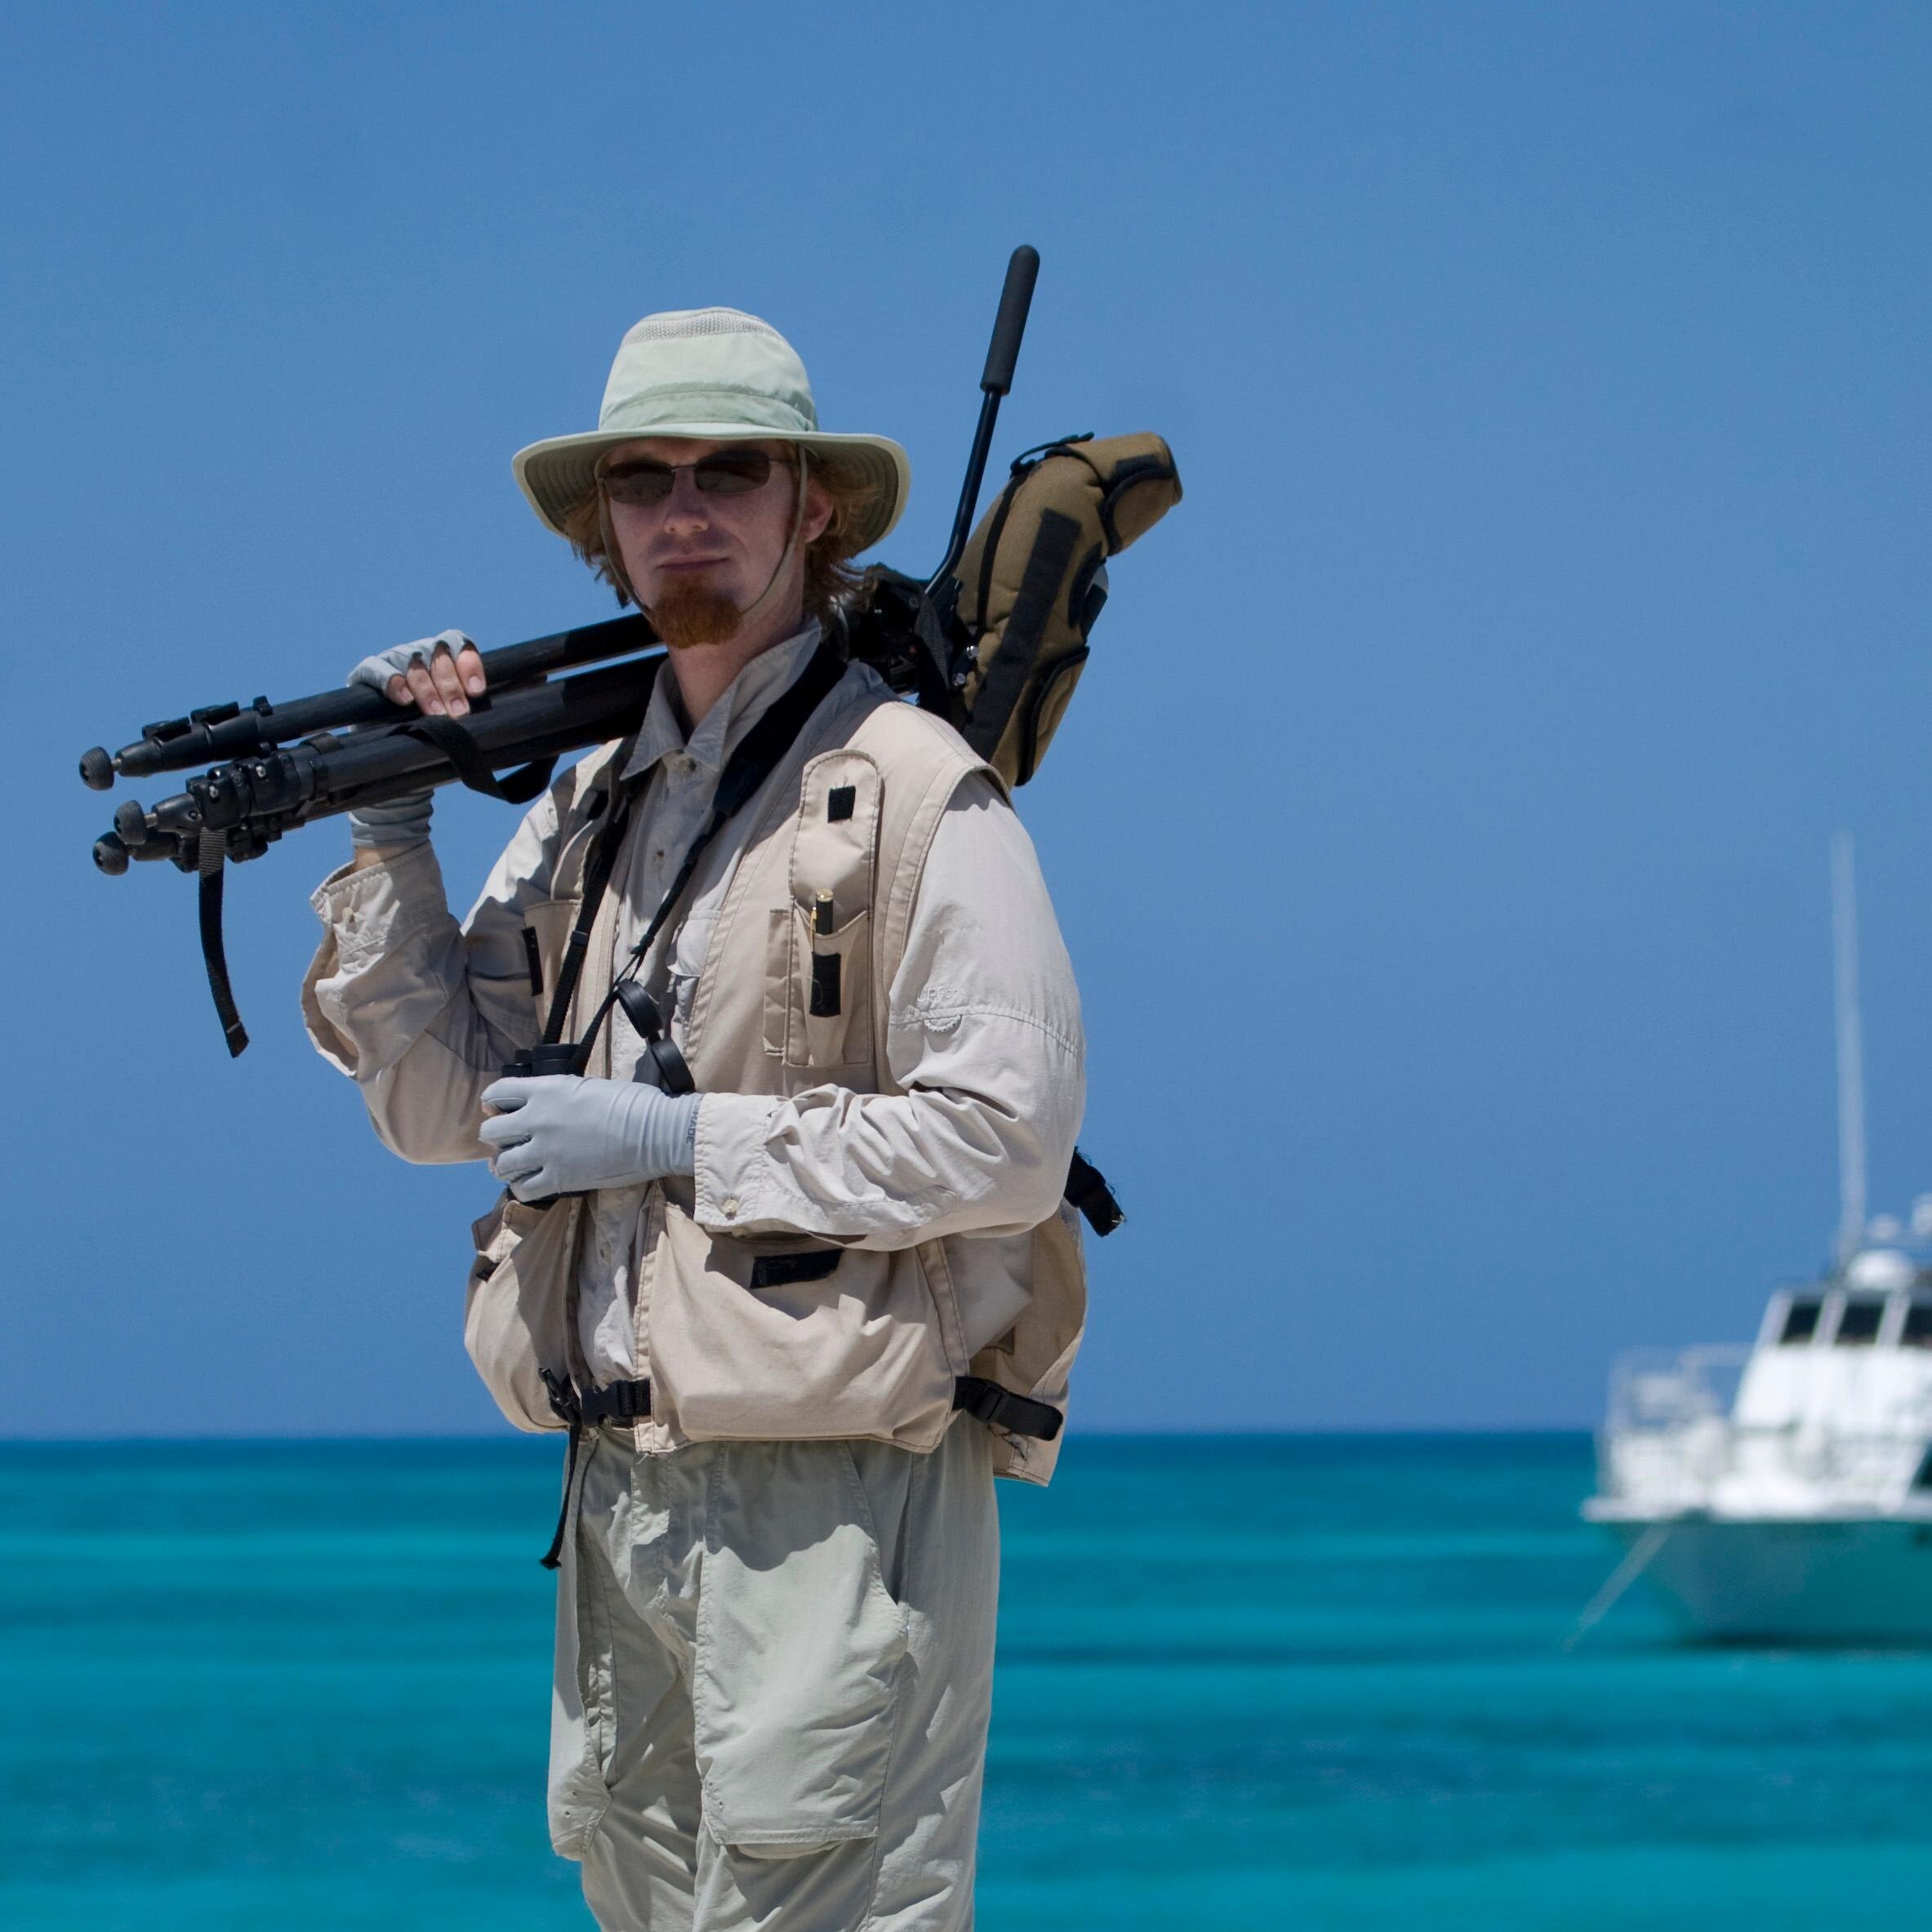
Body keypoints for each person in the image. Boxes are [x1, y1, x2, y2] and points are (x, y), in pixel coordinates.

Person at [301, 307, 1087, 1931]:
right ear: (603, 523)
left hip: (833, 1492)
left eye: (732, 468)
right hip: (621, 1486)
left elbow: (1001, 1141)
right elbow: (445, 1105)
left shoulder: (918, 787)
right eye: (643, 477)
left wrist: (678, 1144)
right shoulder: (591, 804)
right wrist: (388, 822)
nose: (684, 507)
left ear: (814, 507)